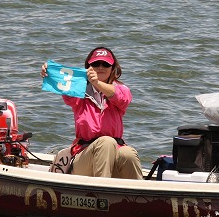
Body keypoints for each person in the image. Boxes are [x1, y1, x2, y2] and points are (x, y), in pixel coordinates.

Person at [40, 46, 143, 179]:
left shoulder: (121, 89)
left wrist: (97, 83)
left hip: (114, 151)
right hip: (83, 157)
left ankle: (137, 191)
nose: (100, 67)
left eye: (105, 64)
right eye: (96, 64)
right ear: (88, 67)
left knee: (128, 154)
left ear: (112, 68)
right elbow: (64, 85)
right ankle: (102, 189)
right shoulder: (79, 90)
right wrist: (49, 72)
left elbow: (120, 97)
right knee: (106, 142)